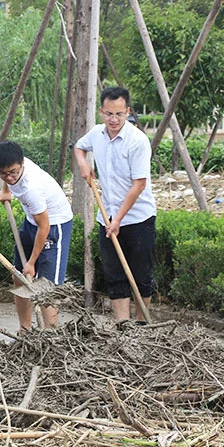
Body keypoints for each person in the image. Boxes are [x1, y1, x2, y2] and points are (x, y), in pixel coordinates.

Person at [73, 86, 156, 321]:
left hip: (138, 219)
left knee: (140, 275)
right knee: (115, 275)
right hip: (106, 216)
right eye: (109, 114)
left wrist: (117, 219)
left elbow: (139, 185)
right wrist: (83, 163)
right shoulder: (97, 134)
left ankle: (142, 325)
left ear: (128, 112)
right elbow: (79, 146)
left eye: (119, 114)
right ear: (101, 111)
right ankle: (122, 326)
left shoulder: (137, 141)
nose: (114, 119)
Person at [0, 141, 73, 329]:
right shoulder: (11, 166)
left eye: (13, 172)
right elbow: (8, 177)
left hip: (54, 225)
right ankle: (25, 331)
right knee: (19, 276)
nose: (10, 178)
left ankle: (49, 335)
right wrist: (5, 190)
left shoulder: (32, 188)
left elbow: (44, 227)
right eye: (3, 174)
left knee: (47, 286)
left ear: (22, 164)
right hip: (31, 221)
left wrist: (31, 262)